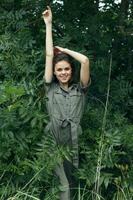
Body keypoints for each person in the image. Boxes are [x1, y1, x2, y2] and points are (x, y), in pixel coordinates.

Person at [42, 6, 90, 200]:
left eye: (67, 69)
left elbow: (85, 61)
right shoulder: (50, 89)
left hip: (73, 141)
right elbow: (48, 55)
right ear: (54, 72)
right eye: (59, 69)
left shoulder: (81, 90)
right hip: (53, 140)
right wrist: (48, 24)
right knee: (64, 187)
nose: (63, 72)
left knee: (71, 184)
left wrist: (64, 50)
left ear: (71, 71)